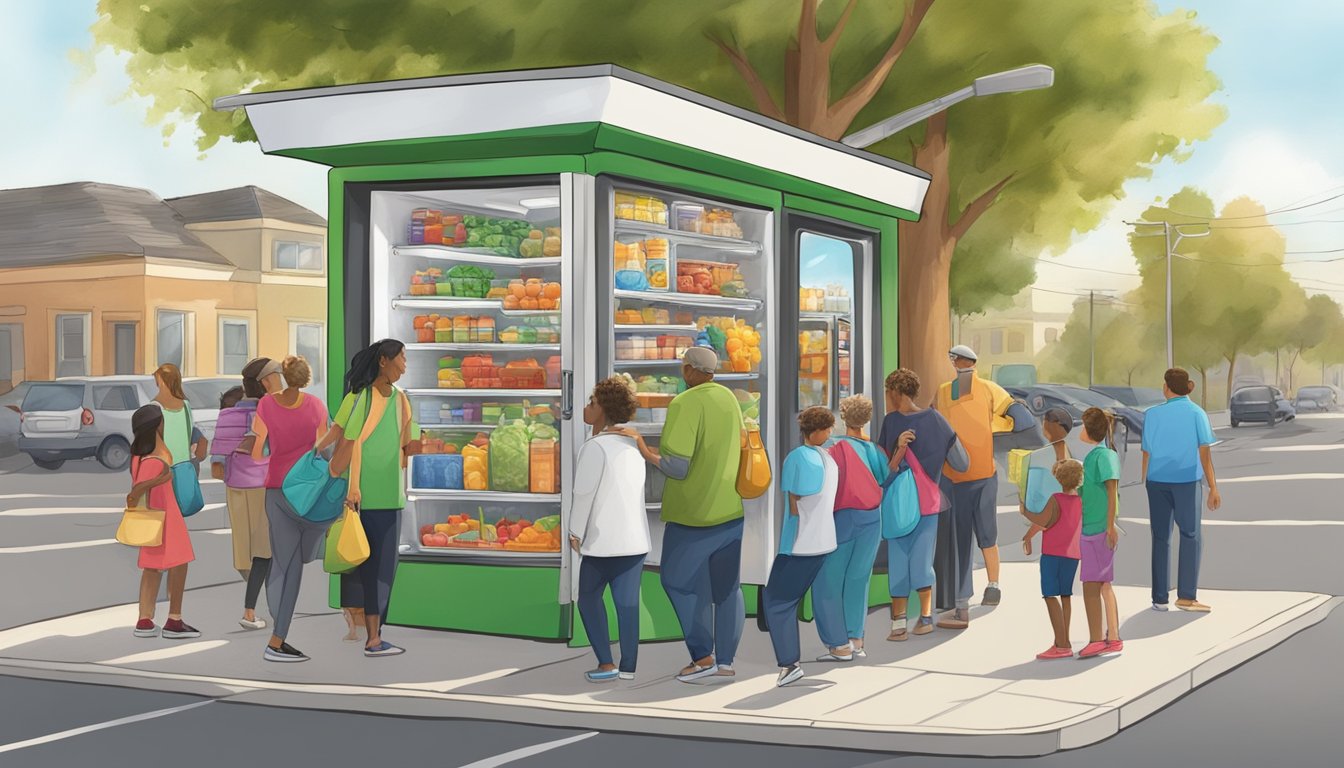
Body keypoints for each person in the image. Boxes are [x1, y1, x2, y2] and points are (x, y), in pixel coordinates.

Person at [626, 346, 744, 684]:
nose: (681, 371)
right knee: (727, 588)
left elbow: (677, 467)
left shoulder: (684, 403)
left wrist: (645, 450)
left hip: (693, 513)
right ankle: (726, 662)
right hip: (730, 509)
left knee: (678, 581)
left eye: (683, 366)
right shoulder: (728, 398)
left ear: (691, 370)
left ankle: (702, 656)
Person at [933, 345, 1036, 628]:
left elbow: (935, 427)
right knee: (987, 534)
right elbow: (1023, 420)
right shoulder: (991, 390)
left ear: (955, 363)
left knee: (961, 539)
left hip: (954, 476)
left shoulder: (942, 392)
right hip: (983, 474)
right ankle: (993, 585)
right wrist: (994, 427)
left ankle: (962, 602)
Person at [332, 340, 420, 658]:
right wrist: (353, 488)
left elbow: (410, 444)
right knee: (371, 569)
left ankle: (374, 633)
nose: (405, 364)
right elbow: (351, 442)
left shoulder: (401, 399)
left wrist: (431, 444)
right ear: (384, 361)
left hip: (391, 495)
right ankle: (372, 638)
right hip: (365, 495)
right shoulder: (363, 397)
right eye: (402, 358)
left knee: (383, 569)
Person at [251, 355, 333, 662]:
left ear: (284, 376)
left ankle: (278, 625)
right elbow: (322, 449)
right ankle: (277, 639)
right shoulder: (315, 407)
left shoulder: (266, 406)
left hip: (276, 491)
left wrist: (273, 449)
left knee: (285, 563)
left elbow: (258, 450)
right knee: (299, 560)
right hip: (307, 492)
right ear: (307, 378)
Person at [878, 369, 967, 640]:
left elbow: (884, 469)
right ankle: (926, 618)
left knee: (898, 562)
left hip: (896, 504)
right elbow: (962, 464)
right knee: (922, 561)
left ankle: (898, 625)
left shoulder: (890, 422)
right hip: (927, 504)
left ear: (895, 392)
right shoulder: (937, 421)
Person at [570, 378, 649, 682]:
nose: (587, 408)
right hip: (634, 541)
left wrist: (575, 531)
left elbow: (583, 495)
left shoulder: (594, 447)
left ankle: (606, 663)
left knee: (589, 598)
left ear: (603, 408)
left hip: (601, 543)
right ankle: (628, 667)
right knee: (627, 605)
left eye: (592, 403)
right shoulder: (631, 445)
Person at [767, 407, 839, 687]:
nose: (831, 433)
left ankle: (789, 664)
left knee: (777, 601)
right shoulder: (828, 458)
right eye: (829, 428)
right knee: (788, 599)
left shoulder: (797, 457)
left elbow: (794, 505)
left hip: (800, 543)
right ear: (818, 431)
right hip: (824, 541)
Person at [1142, 367, 1221, 613]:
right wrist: (1213, 487)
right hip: (1187, 481)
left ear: (1166, 387)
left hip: (1157, 481)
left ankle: (1160, 598)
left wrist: (1144, 478)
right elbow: (1205, 453)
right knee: (1190, 535)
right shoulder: (1197, 413)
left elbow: (1146, 451)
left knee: (1160, 537)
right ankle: (1186, 596)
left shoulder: (1152, 415)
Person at [210, 358, 281, 631]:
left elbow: (217, 466)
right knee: (264, 551)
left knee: (243, 552)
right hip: (263, 487)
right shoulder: (269, 414)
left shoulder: (227, 416)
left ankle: (255, 604)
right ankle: (251, 611)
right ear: (264, 383)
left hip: (235, 488)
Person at [812, 395, 884, 660]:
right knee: (858, 578)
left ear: (843, 418)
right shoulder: (873, 449)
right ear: (867, 419)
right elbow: (884, 478)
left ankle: (837, 644)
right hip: (872, 519)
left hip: (840, 518)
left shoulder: (831, 447)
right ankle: (856, 639)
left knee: (828, 580)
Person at [125, 405, 199, 639]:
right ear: (156, 425)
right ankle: (174, 620)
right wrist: (163, 476)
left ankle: (145, 619)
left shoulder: (138, 456)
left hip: (154, 516)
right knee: (179, 564)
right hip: (165, 516)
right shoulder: (154, 460)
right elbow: (135, 492)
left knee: (153, 567)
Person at [1020, 458, 1084, 660]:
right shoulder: (1081, 501)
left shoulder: (1056, 499)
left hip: (1052, 553)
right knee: (1065, 595)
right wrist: (1028, 536)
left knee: (1050, 595)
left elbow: (1043, 521)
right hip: (1072, 554)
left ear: (1058, 478)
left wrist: (1025, 512)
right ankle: (1062, 641)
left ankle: (1062, 644)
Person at [1078, 407, 1124, 659]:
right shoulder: (1097, 456)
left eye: (1083, 426)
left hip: (1096, 530)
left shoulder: (1102, 456)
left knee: (1091, 587)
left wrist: (1109, 526)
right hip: (1094, 527)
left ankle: (1097, 639)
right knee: (1104, 585)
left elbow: (1111, 490)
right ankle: (1113, 637)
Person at [151, 363, 208, 467]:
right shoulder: (185, 405)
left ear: (162, 381)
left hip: (165, 465)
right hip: (184, 463)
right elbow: (189, 431)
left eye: (157, 380)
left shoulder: (154, 406)